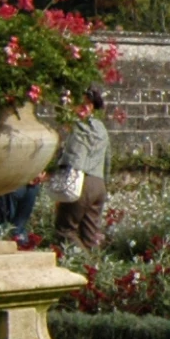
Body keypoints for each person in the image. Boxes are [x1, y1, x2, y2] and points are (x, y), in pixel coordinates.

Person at [53, 88, 111, 251]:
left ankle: (83, 264)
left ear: (88, 106)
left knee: (65, 230)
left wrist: (65, 186)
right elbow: (107, 160)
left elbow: (75, 156)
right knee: (89, 235)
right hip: (98, 183)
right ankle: (93, 271)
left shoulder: (79, 128)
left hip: (81, 180)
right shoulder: (101, 129)